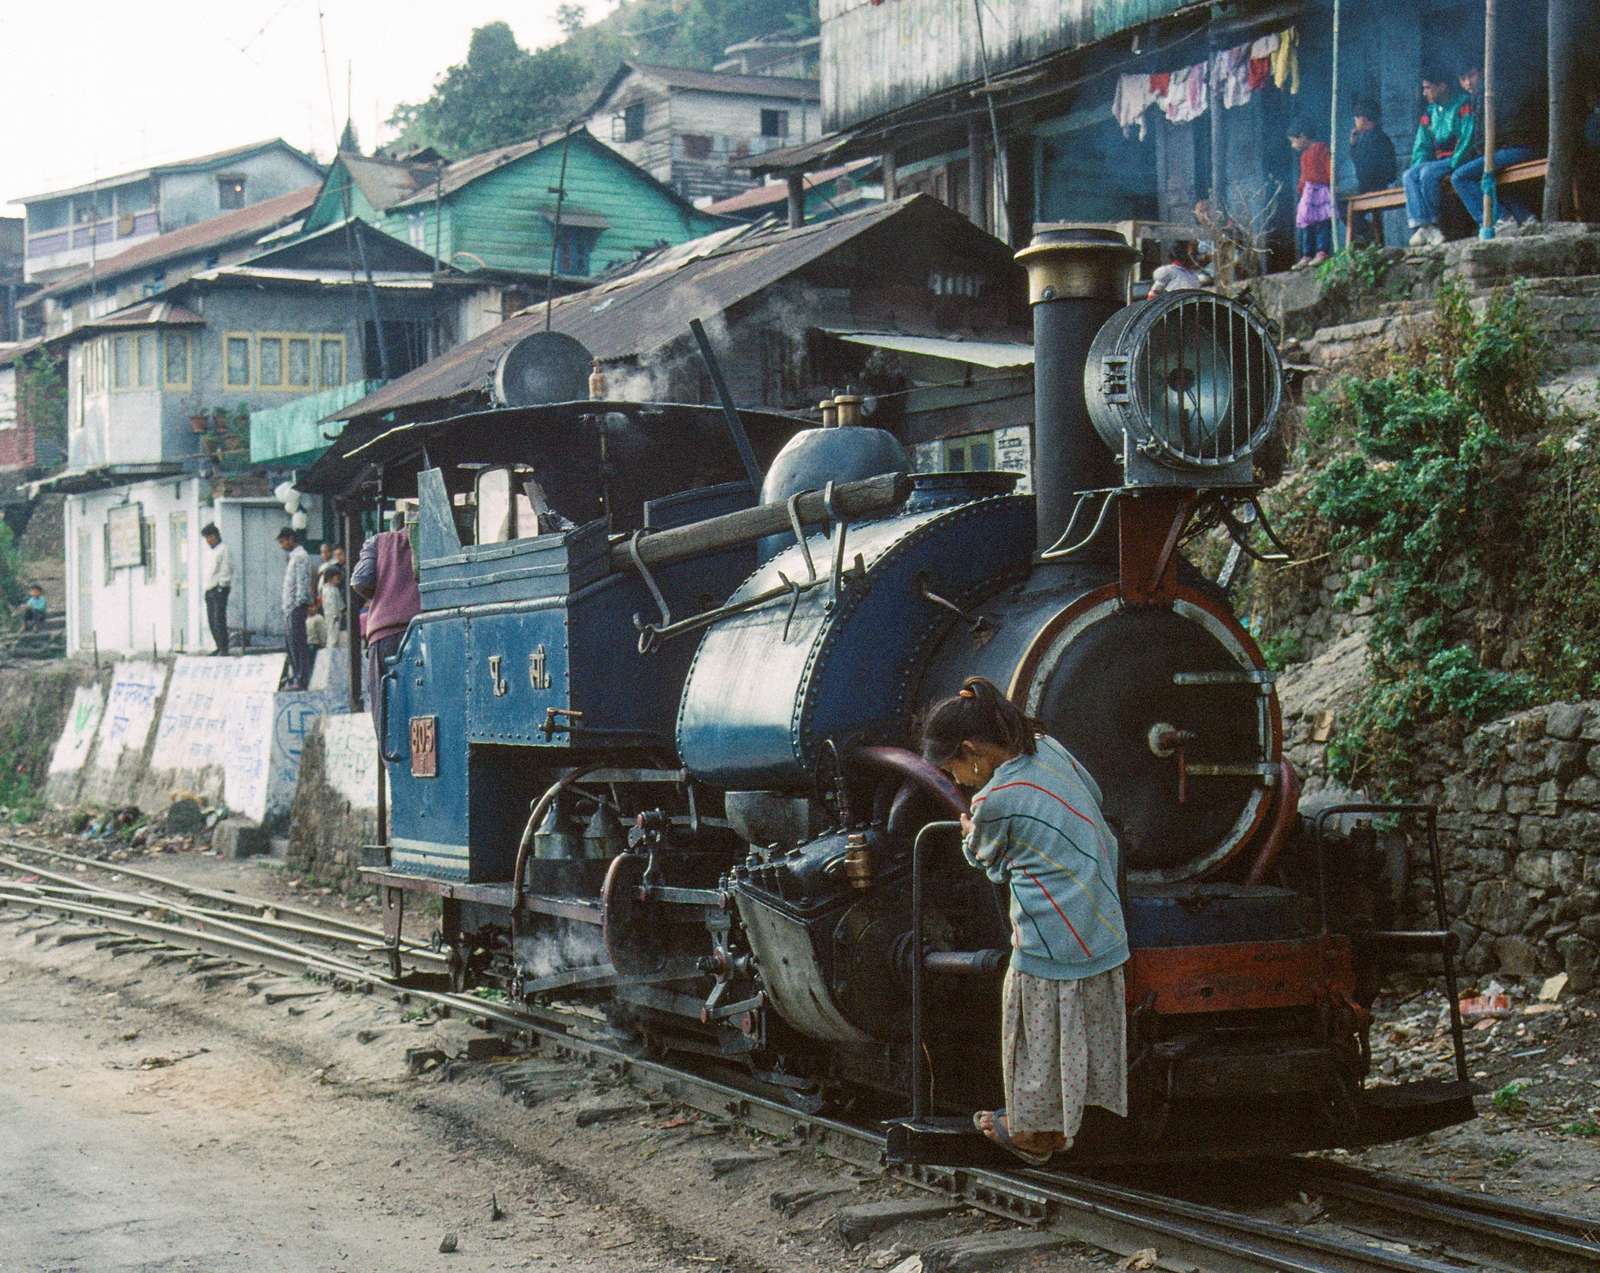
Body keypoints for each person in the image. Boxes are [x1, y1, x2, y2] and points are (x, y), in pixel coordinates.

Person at [921, 677, 1129, 1165]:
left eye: (953, 768)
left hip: (1051, 928)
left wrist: (971, 830)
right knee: (1079, 1019)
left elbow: (986, 861)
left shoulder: (995, 801)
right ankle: (1069, 1114)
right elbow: (1093, 794)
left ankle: (1036, 1131)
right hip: (1101, 912)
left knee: (1033, 1025)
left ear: (971, 751)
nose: (956, 781)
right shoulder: (1049, 749)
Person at [350, 515, 422, 749]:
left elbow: (360, 580)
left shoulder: (379, 541)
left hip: (384, 635)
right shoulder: (429, 539)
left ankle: (394, 772)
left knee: (388, 721)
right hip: (422, 631)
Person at [1451, 80, 1545, 232]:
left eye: (1472, 75)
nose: (1467, 82)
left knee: (1460, 177)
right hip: (1511, 148)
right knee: (1490, 178)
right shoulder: (1478, 99)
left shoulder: (1494, 96)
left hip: (1521, 147)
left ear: (1482, 72)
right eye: (1462, 78)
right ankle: (1525, 217)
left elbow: (1515, 130)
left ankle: (1499, 219)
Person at [1402, 69, 1476, 246]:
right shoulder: (1430, 112)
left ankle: (1434, 223)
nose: (1424, 93)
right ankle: (1424, 227)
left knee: (1428, 173)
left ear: (1442, 86)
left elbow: (1468, 136)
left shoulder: (1463, 103)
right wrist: (1415, 169)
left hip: (1459, 158)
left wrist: (1457, 164)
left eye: (1428, 87)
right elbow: (1422, 146)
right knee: (1409, 175)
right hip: (1439, 161)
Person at [1349, 97, 1399, 245]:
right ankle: (1367, 234)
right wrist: (1353, 145)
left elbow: (1372, 167)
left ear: (1363, 119)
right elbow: (1358, 162)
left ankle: (1368, 234)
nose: (1355, 121)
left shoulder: (1377, 137)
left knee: (1341, 202)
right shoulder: (1364, 137)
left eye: (1356, 118)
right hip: (1367, 184)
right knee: (1339, 200)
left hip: (1374, 184)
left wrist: (1367, 185)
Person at [1288, 120, 1334, 267]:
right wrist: (1301, 188)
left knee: (1322, 222)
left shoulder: (1322, 149)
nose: (1293, 145)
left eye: (1294, 141)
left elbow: (1329, 167)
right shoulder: (1303, 156)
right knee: (1306, 224)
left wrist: (1333, 182)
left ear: (1303, 136)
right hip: (1308, 194)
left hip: (1320, 191)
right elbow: (1304, 175)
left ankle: (1323, 251)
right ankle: (1307, 254)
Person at [278, 527, 314, 691]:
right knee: (291, 644)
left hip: (296, 606)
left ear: (291, 539)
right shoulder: (294, 557)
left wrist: (300, 603)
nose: (282, 546)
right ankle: (295, 676)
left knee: (298, 643)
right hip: (289, 607)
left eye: (283, 541)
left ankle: (301, 677)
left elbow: (302, 582)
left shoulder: (301, 556)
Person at [201, 523, 232, 655]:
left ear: (216, 536)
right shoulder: (209, 552)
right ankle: (218, 646)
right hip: (209, 589)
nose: (209, 540)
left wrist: (221, 586)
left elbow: (226, 569)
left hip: (219, 589)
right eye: (206, 537)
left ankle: (224, 647)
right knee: (211, 620)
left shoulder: (223, 550)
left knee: (219, 619)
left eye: (210, 536)